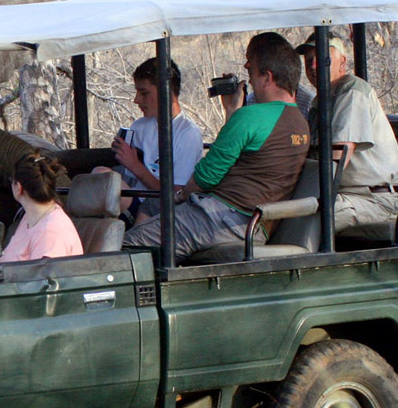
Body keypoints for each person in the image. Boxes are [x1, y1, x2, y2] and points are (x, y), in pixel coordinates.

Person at [123, 32, 311, 263]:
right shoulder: (300, 122)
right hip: (253, 223)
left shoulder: (251, 116)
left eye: (251, 72)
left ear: (267, 77)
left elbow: (207, 176)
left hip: (224, 218)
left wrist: (181, 195)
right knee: (154, 208)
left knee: (125, 246)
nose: (249, 80)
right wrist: (232, 111)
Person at [296, 31, 398, 231]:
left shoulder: (352, 91)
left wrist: (303, 197)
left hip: (372, 200)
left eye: (322, 58)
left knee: (314, 215)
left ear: (342, 62)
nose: (313, 66)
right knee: (286, 209)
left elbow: (339, 156)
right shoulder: (319, 102)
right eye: (309, 60)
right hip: (342, 196)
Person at [96, 58, 204, 225]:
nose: (137, 100)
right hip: (133, 199)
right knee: (99, 174)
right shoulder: (139, 126)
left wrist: (135, 165)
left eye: (144, 93)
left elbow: (177, 193)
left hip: (158, 210)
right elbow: (129, 178)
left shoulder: (187, 134)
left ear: (165, 91)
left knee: (103, 177)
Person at [0, 152, 82, 263]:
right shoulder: (30, 217)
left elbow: (39, 282)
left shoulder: (50, 233)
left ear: (19, 188)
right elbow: (15, 265)